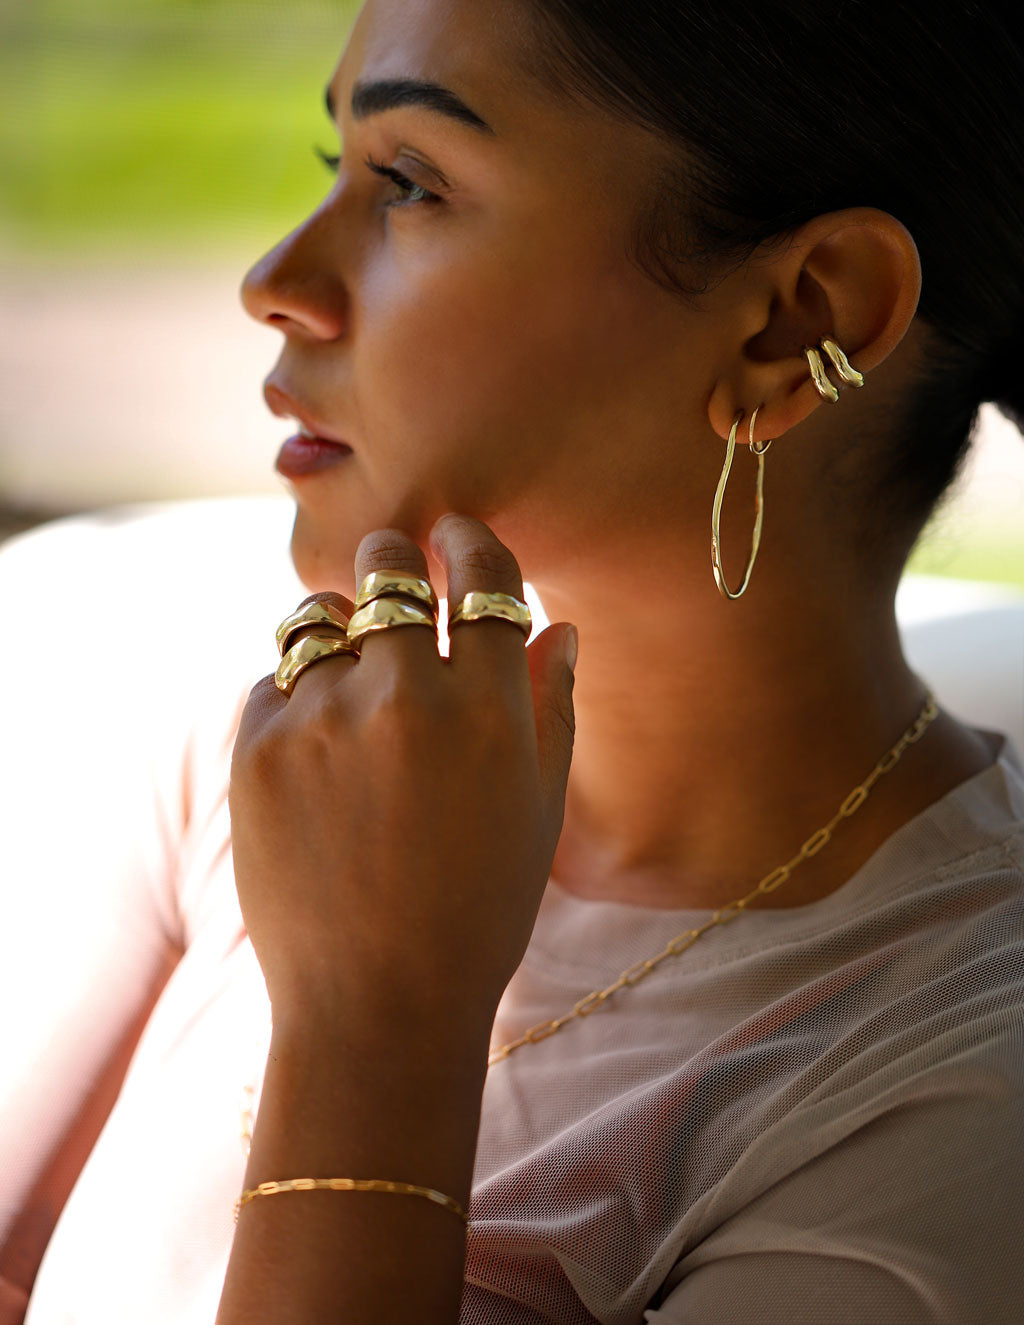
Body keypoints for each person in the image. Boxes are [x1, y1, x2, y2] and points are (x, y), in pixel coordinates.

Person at [2, 0, 1023, 1320]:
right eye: (334, 165)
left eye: (410, 182)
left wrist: (375, 1030)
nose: (276, 279)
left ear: (797, 317)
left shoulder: (949, 1098)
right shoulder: (250, 749)